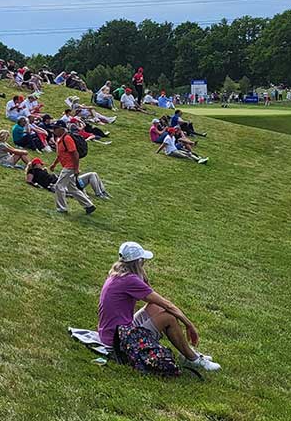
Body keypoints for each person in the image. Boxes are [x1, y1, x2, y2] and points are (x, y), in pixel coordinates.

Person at [98, 241, 221, 372]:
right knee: (168, 317)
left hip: (111, 333)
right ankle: (194, 359)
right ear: (138, 262)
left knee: (156, 307)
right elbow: (167, 304)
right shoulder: (130, 280)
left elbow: (153, 298)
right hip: (118, 341)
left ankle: (189, 352)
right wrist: (189, 325)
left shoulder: (118, 274)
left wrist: (142, 275)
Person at [48, 121, 95, 214]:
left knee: (59, 186)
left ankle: (62, 208)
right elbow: (60, 154)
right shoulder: (60, 139)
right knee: (72, 188)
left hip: (70, 167)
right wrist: (54, 164)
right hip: (68, 166)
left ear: (62, 129)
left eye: (55, 128)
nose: (53, 130)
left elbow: (75, 154)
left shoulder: (67, 138)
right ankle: (89, 205)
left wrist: (76, 168)